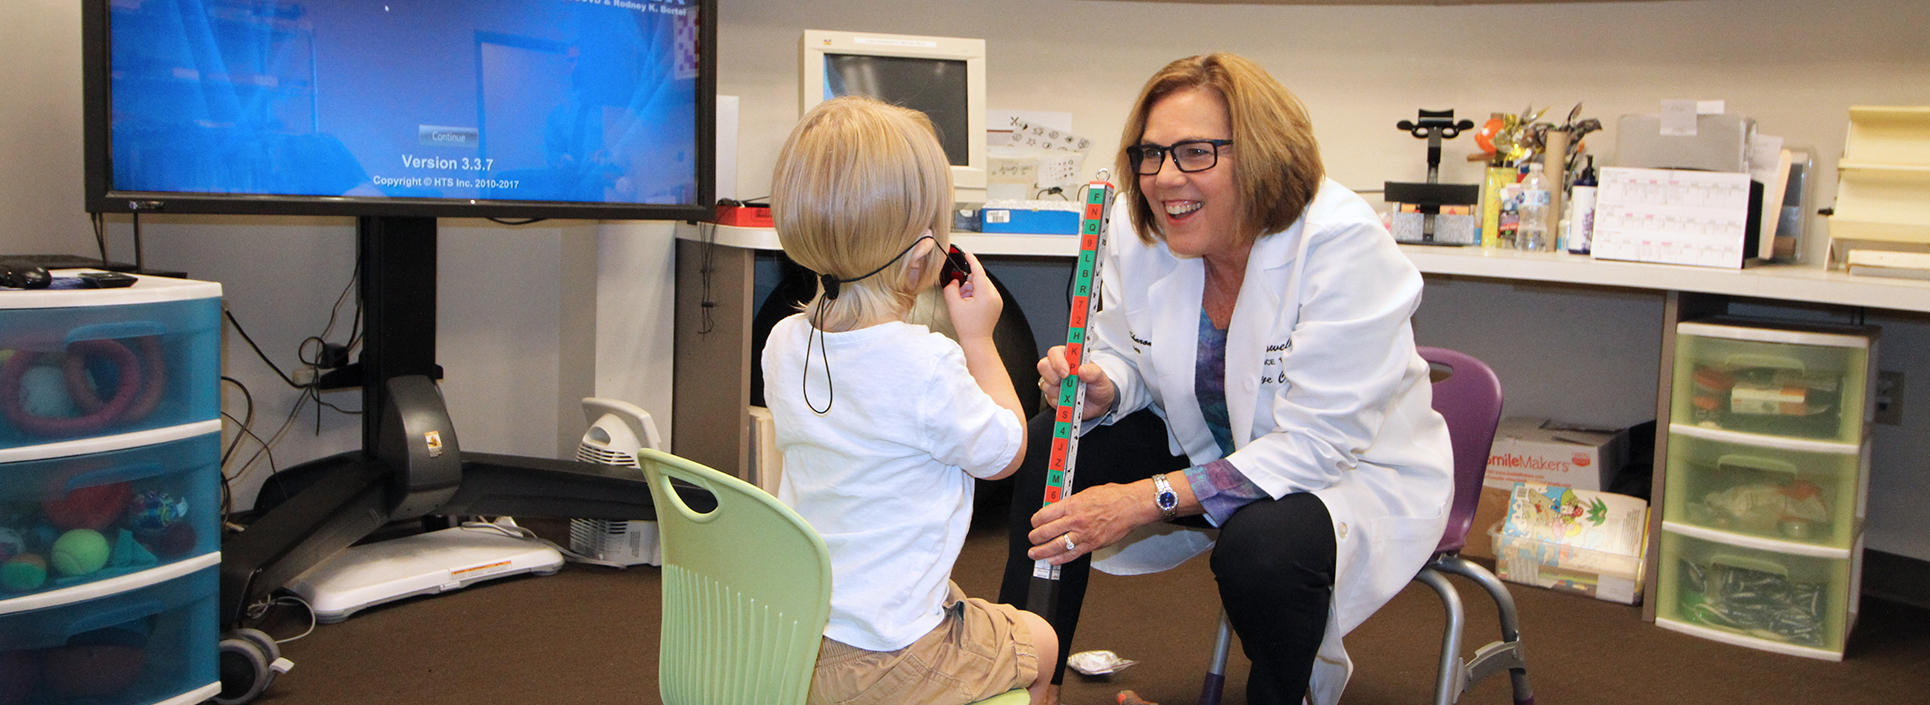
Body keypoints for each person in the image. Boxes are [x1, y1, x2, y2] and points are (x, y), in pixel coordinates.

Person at [997, 53, 1453, 705]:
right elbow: (1132, 353)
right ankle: (1028, 683)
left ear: (1262, 154)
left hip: (1347, 471)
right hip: (1209, 441)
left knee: (1260, 547)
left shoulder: (1342, 243)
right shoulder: (1140, 222)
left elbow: (1317, 446)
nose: (1164, 178)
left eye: (1195, 153)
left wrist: (1138, 498)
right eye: (1150, 155)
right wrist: (1107, 385)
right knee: (1052, 450)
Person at [762, 95, 1060, 705]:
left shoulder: (782, 342)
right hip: (885, 659)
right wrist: (978, 337)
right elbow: (1005, 450)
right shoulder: (926, 363)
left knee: (957, 600)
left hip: (790, 638)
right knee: (1044, 640)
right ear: (926, 252)